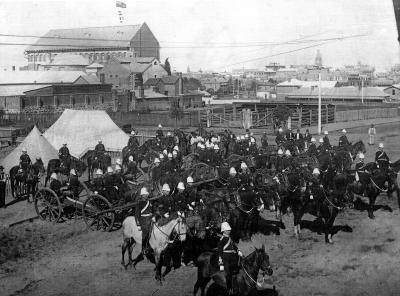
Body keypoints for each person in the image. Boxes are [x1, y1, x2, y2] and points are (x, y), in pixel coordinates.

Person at [218, 222, 242, 295]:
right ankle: (228, 289)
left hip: (232, 258)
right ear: (224, 231)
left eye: (229, 230)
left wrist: (238, 251)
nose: (229, 231)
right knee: (228, 274)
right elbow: (220, 251)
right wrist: (221, 262)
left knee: (235, 272)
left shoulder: (230, 238)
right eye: (228, 230)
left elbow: (234, 246)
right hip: (226, 258)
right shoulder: (222, 239)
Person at [135, 187, 153, 255]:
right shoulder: (139, 203)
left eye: (146, 194)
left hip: (150, 219)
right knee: (145, 234)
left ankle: (150, 245)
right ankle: (143, 248)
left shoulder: (149, 202)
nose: (146, 195)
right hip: (143, 221)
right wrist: (138, 224)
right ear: (142, 195)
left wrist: (153, 215)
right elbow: (137, 214)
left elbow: (152, 210)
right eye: (145, 194)